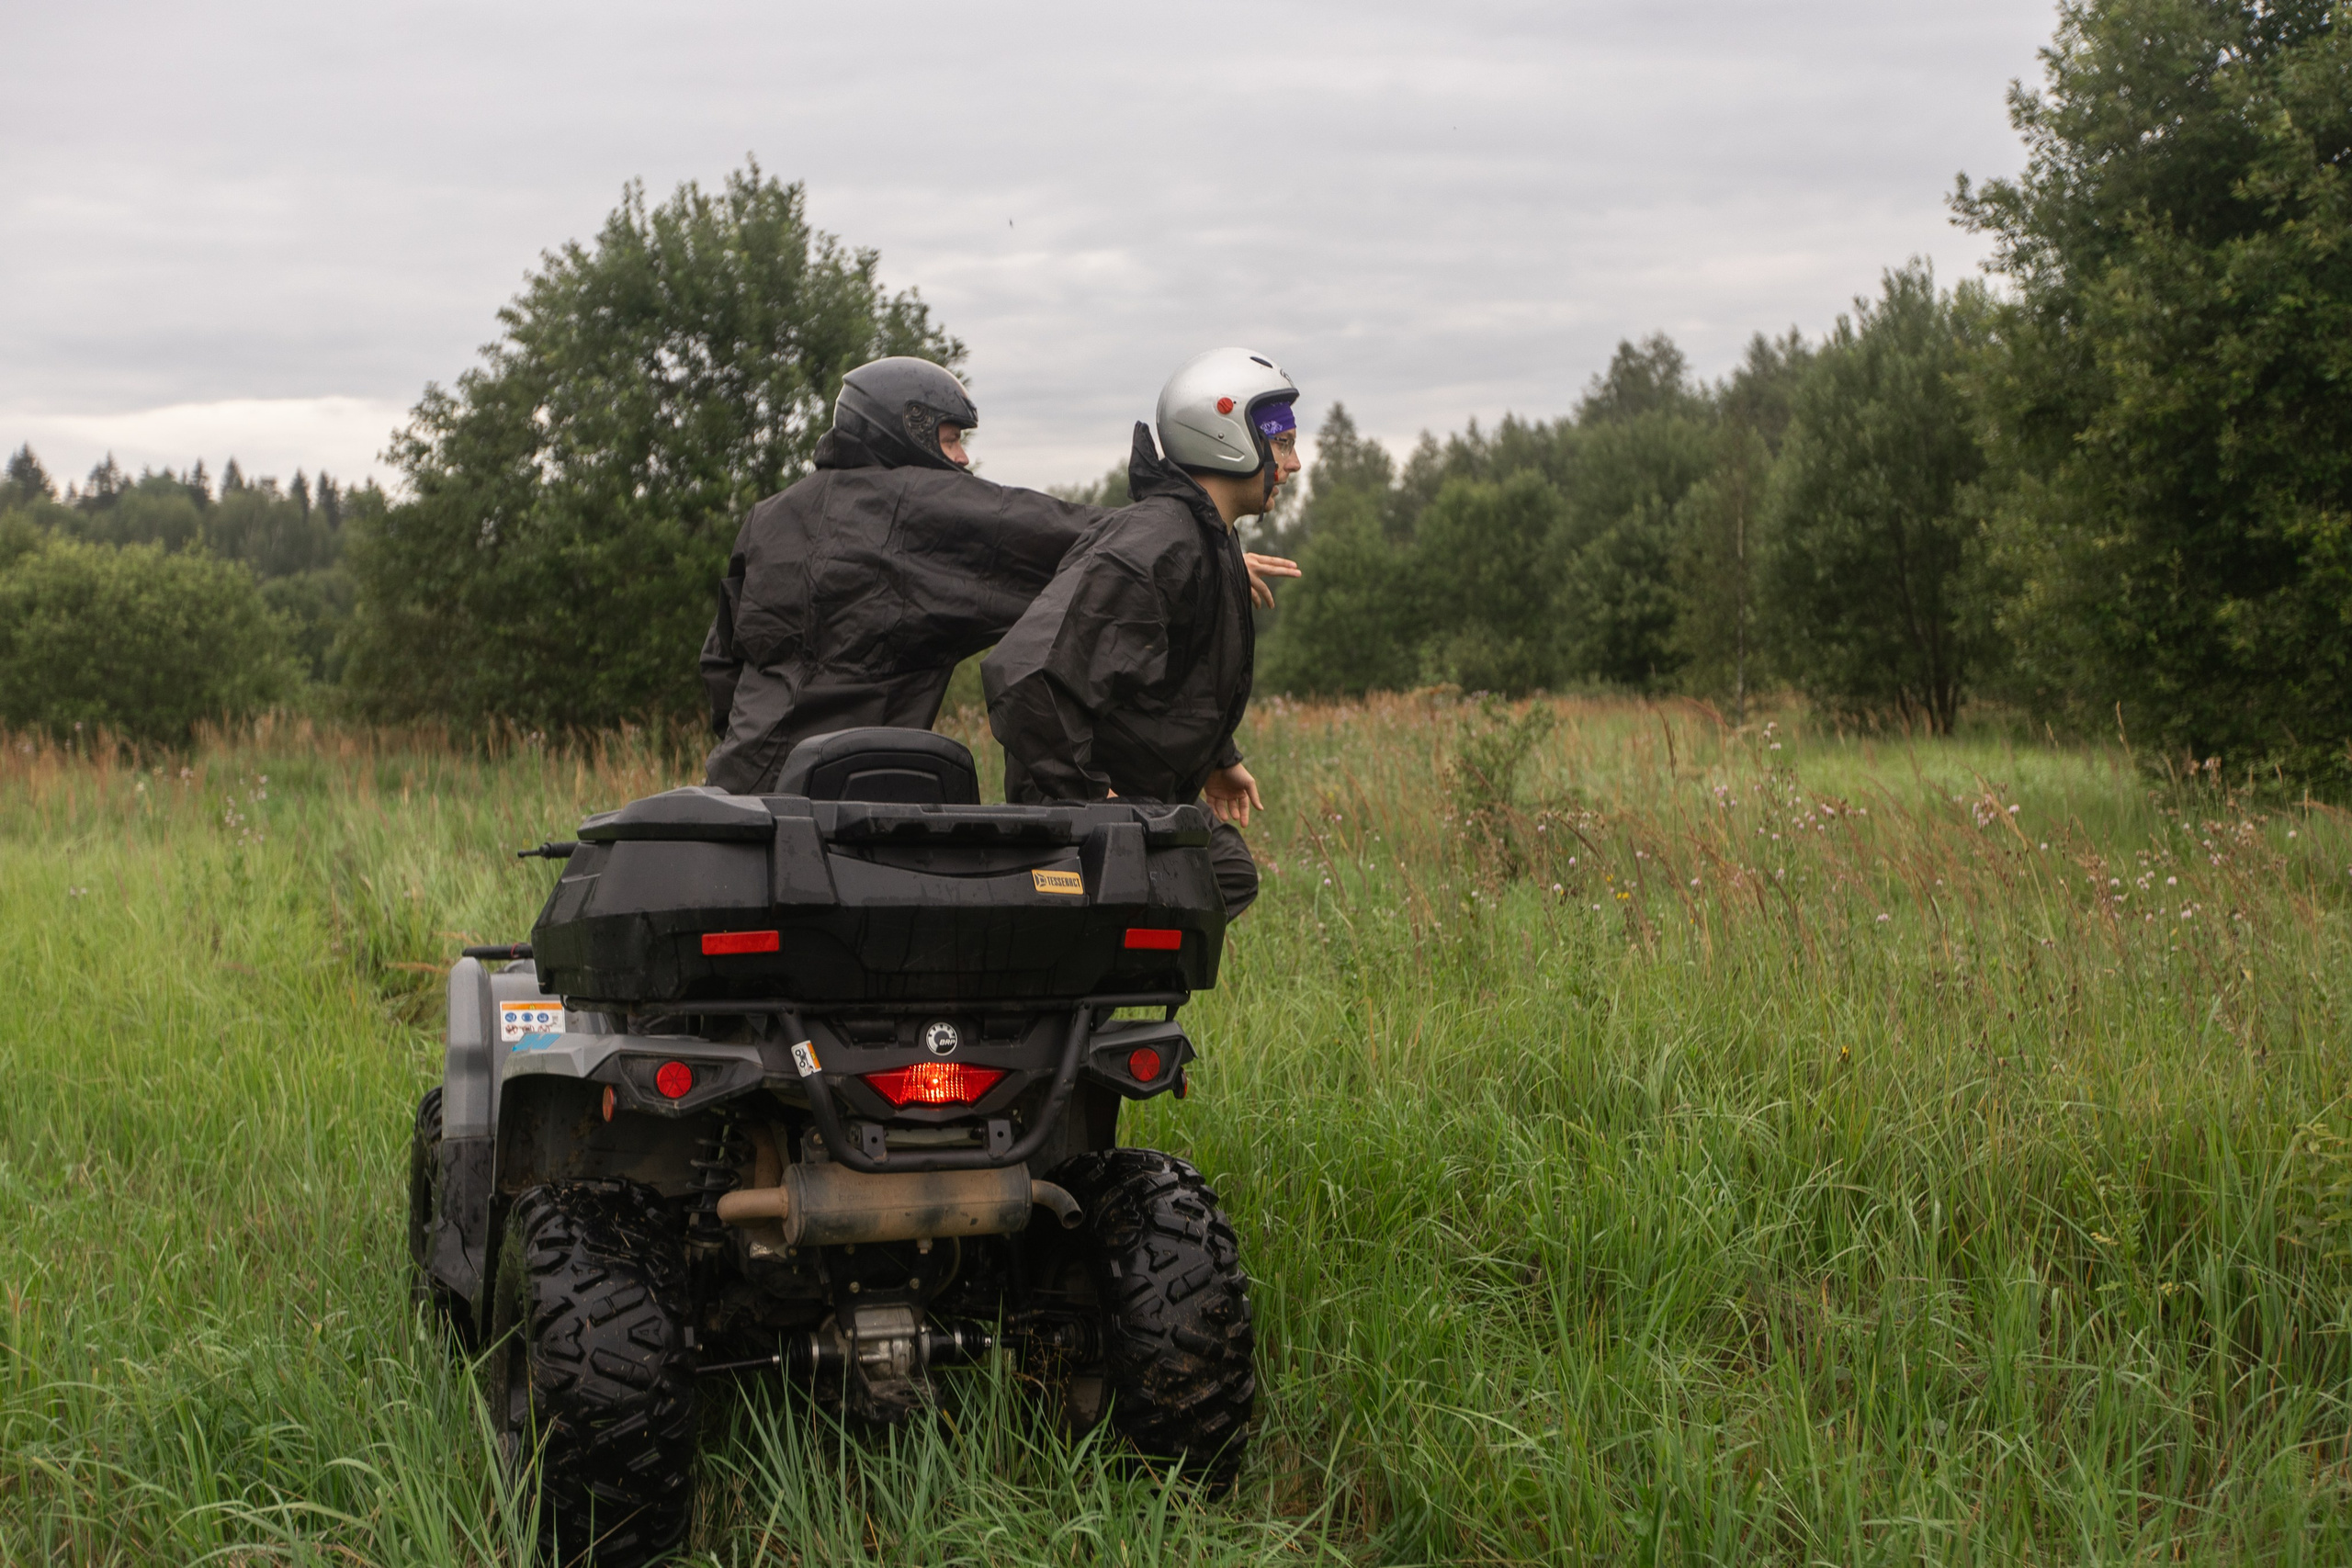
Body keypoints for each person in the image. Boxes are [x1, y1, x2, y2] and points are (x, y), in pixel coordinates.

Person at [701, 355, 1299, 794]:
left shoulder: (767, 519)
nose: (962, 457)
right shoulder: (924, 508)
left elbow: (721, 666)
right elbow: (1073, 541)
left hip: (741, 788)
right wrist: (1205, 542)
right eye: (951, 437)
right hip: (851, 792)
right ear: (902, 426)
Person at [982, 346, 1303, 918]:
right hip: (1078, 807)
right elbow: (1025, 675)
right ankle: (1088, 1002)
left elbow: (1173, 673)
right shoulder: (1157, 546)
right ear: (1226, 439)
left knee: (1225, 872)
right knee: (1196, 884)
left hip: (1142, 795)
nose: (1294, 463)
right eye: (1281, 443)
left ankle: (1111, 996)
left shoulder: (1208, 539)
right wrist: (1091, 802)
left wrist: (1217, 758)